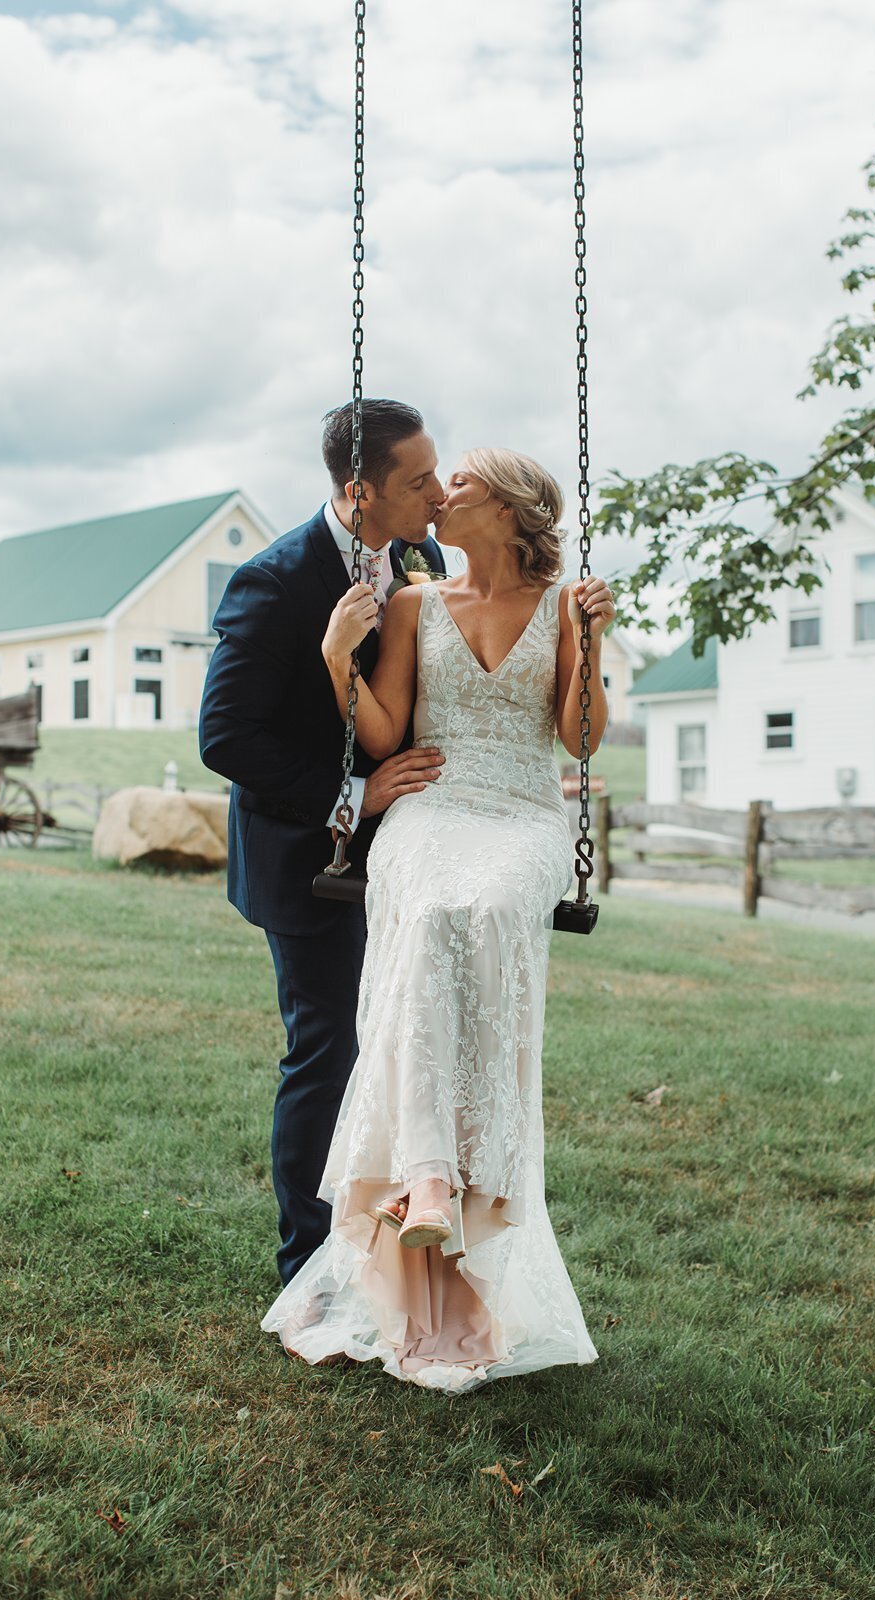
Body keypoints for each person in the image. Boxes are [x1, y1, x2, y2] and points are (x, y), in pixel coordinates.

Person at [261, 446, 615, 1390]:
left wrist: (593, 645)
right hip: (431, 803)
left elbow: (577, 737)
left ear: (507, 508)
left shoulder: (564, 606)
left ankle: (462, 1190)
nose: (438, 494)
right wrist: (338, 657)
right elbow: (385, 731)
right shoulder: (415, 604)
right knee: (427, 915)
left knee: (485, 910)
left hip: (521, 814)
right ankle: (422, 1180)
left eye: (458, 484)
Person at [199, 400, 448, 1289]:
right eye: (419, 480)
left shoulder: (425, 558)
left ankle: (380, 1238)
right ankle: (306, 1266)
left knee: (393, 1043)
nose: (438, 493)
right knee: (327, 1048)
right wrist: (353, 795)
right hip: (305, 859)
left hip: (407, 853)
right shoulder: (273, 582)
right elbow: (225, 736)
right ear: (359, 490)